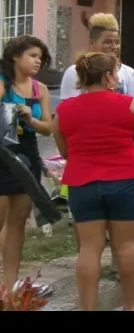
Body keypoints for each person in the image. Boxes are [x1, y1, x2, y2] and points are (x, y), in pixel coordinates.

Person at [53, 52, 134, 311]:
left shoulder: (63, 110)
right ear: (107, 76)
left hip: (82, 181)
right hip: (126, 179)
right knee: (126, 245)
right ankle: (131, 306)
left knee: (89, 248)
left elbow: (64, 151)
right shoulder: (129, 104)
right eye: (116, 73)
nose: (118, 78)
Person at [0, 36, 53, 291]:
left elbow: (48, 129)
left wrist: (31, 120)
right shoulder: (2, 83)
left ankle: (9, 286)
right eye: (32, 55)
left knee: (18, 220)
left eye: (40, 57)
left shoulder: (39, 89)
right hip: (2, 152)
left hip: (27, 154)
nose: (37, 61)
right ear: (14, 57)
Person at [60, 12, 134, 105]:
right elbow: (69, 109)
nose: (114, 47)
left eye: (117, 42)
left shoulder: (130, 73)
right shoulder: (75, 71)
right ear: (92, 43)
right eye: (108, 42)